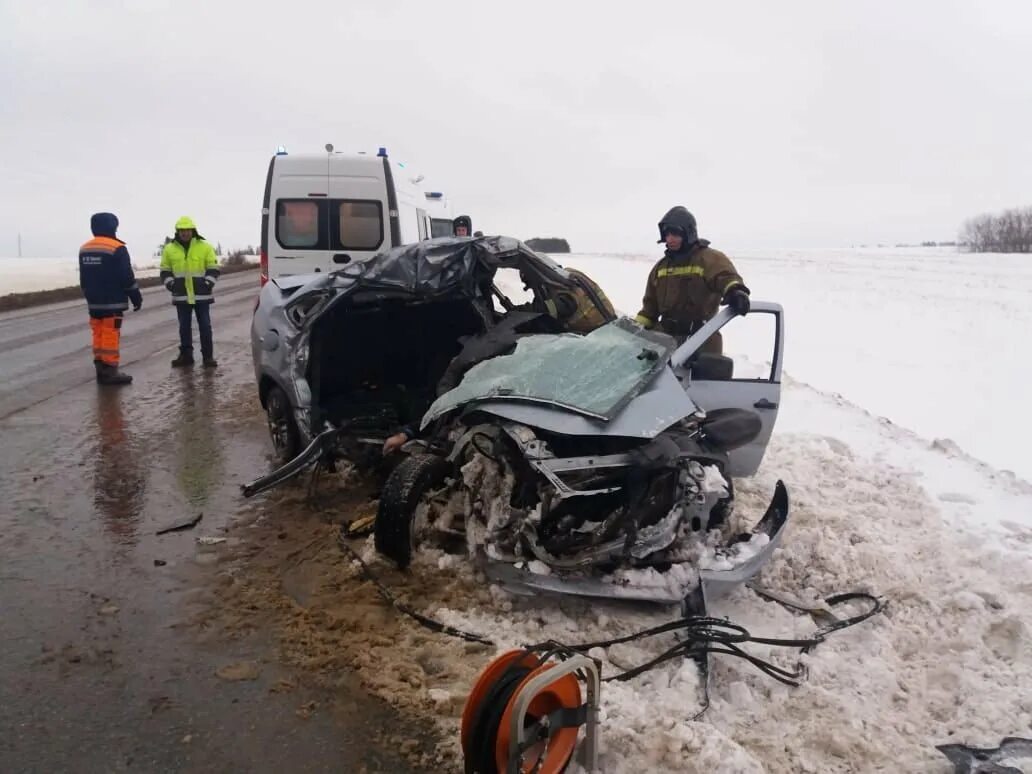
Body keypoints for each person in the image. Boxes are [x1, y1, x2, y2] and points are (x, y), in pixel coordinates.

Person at [634, 206, 750, 354]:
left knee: (704, 375)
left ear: (688, 233)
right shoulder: (660, 268)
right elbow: (649, 310)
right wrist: (634, 330)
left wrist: (736, 291)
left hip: (702, 342)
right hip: (664, 343)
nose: (670, 238)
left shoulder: (708, 259)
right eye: (667, 234)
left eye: (675, 233)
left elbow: (726, 277)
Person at [78, 212, 143, 385]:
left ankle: (100, 368)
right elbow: (126, 276)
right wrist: (136, 297)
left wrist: (88, 294)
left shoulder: (85, 249)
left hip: (93, 301)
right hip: (112, 300)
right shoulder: (117, 248)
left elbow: (83, 278)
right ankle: (110, 370)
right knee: (110, 334)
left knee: (98, 333)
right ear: (113, 226)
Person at [160, 216, 220, 368]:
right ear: (177, 232)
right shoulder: (169, 249)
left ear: (193, 231)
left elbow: (213, 268)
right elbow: (165, 270)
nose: (185, 233)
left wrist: (208, 283)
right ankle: (186, 356)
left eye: (187, 230)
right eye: (181, 230)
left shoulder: (205, 247)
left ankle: (208, 357)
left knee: (205, 326)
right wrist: (171, 285)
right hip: (181, 296)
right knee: (184, 327)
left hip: (202, 295)